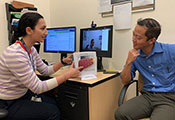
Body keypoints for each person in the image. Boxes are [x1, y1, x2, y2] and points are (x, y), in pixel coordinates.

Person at [0, 12, 83, 120]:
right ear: (29, 30)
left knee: (54, 102)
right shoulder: (15, 54)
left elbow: (45, 70)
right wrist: (67, 75)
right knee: (53, 112)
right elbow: (38, 87)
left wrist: (63, 62)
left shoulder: (31, 49)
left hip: (22, 94)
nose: (47, 33)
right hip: (9, 103)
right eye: (43, 28)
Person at [115, 18, 175, 120]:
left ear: (152, 40)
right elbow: (125, 81)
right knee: (120, 114)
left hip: (168, 98)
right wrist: (128, 62)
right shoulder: (135, 55)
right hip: (147, 97)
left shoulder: (170, 50)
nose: (133, 39)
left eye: (138, 37)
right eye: (133, 34)